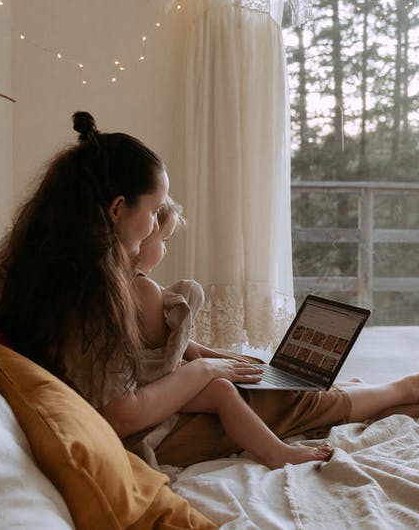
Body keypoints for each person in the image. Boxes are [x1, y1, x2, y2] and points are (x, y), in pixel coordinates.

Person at [0, 111, 419, 469]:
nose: (154, 226)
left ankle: (371, 398)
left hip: (129, 407)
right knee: (284, 400)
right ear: (116, 209)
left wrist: (206, 359)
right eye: (152, 212)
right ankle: (405, 391)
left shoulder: (33, 260)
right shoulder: (88, 293)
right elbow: (119, 414)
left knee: (257, 382)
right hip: (135, 431)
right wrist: (203, 369)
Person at [130, 198, 332, 468]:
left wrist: (218, 358)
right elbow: (162, 366)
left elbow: (181, 346)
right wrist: (206, 370)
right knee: (222, 390)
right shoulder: (143, 289)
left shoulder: (126, 283)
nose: (165, 250)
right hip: (149, 390)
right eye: (164, 241)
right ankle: (277, 453)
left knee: (241, 369)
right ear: (141, 237)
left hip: (146, 384)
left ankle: (347, 390)